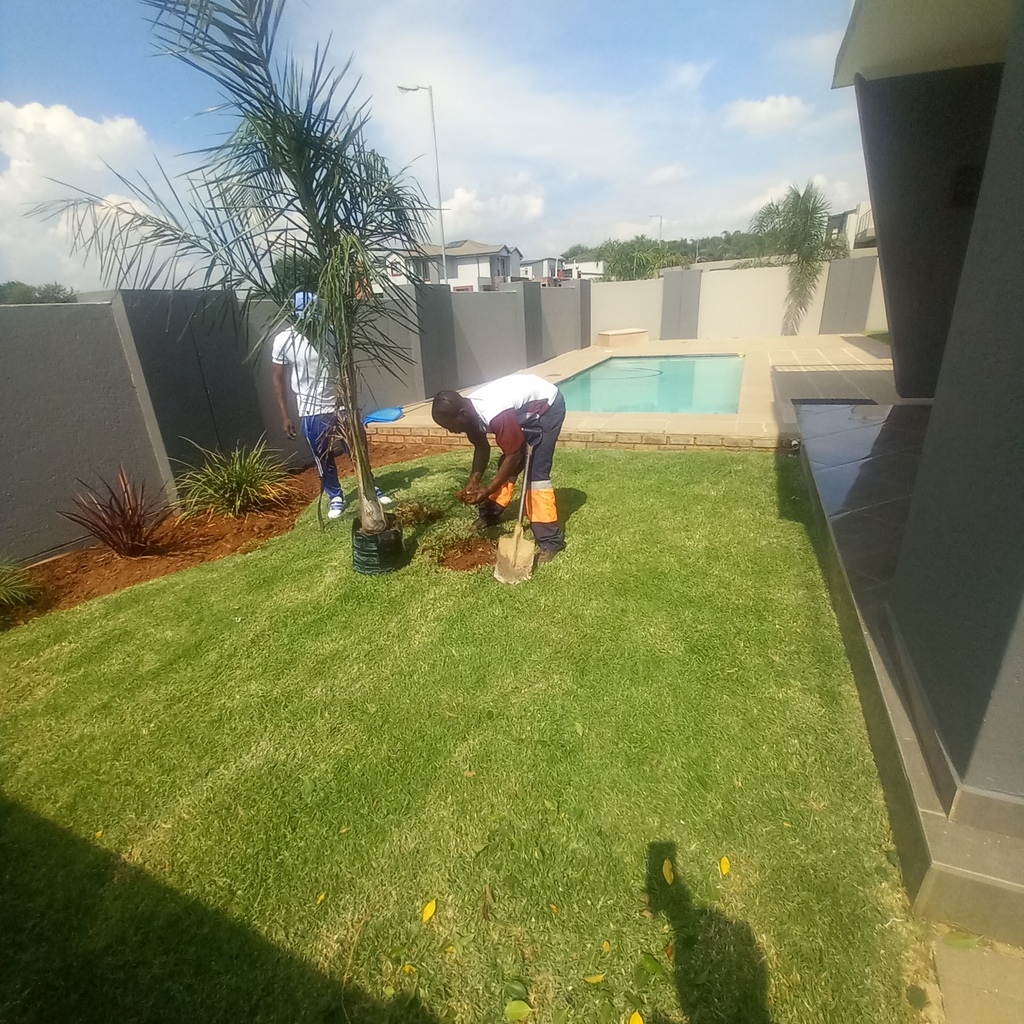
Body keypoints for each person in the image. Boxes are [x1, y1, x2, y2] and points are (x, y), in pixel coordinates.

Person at [271, 291, 390, 518]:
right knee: (322, 455)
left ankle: (369, 487)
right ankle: (336, 496)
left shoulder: (331, 332)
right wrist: (285, 415)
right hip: (311, 408)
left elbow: (344, 365)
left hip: (340, 404)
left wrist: (350, 399)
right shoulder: (284, 339)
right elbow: (277, 378)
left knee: (356, 449)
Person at [431, 373, 566, 561]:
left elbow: (515, 454)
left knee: (536, 477)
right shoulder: (469, 414)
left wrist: (488, 489)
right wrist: (474, 482)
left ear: (462, 414)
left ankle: (550, 540)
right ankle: (489, 515)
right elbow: (481, 446)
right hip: (518, 412)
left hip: (547, 408)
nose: (451, 430)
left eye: (450, 425)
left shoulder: (494, 413)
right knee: (506, 466)